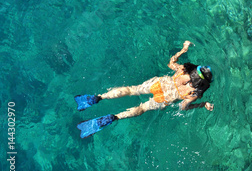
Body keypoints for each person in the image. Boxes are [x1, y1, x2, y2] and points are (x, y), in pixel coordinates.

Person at [75, 41, 214, 138]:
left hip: (159, 84)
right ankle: (115, 117)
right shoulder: (194, 93)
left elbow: (170, 63)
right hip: (165, 99)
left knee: (131, 90)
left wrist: (183, 50)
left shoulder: (184, 70)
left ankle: (99, 97)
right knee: (142, 108)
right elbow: (183, 108)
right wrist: (203, 104)